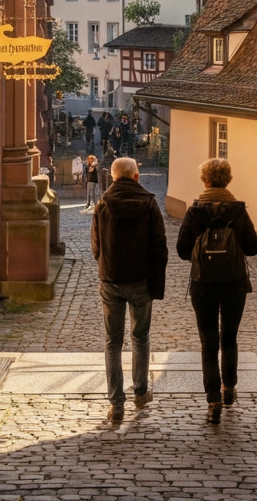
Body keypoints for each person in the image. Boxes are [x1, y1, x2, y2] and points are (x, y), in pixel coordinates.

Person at [175, 158, 257, 424]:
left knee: (208, 343)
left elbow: (180, 250)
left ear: (205, 180)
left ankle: (213, 400)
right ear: (228, 180)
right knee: (230, 338)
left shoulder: (195, 211)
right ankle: (229, 388)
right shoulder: (238, 211)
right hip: (234, 282)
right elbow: (253, 248)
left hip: (203, 284)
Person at [90, 157, 168, 421]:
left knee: (113, 342)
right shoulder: (148, 203)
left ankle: (117, 403)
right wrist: (156, 280)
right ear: (136, 177)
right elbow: (160, 246)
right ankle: (140, 391)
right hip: (141, 281)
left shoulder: (102, 204)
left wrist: (107, 265)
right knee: (140, 337)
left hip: (111, 280)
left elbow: (96, 246)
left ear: (113, 177)